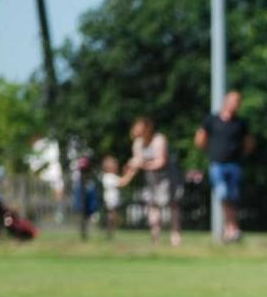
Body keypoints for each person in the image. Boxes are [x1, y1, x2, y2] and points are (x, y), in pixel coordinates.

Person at [195, 90, 254, 242]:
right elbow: (200, 139)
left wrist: (240, 155)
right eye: (233, 101)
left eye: (238, 102)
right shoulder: (212, 120)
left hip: (234, 164)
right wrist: (211, 152)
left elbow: (249, 143)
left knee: (232, 196)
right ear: (226, 102)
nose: (235, 104)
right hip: (217, 164)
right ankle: (232, 228)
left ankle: (230, 230)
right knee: (224, 194)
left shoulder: (241, 123)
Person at [121, 118, 182, 246]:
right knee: (153, 205)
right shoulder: (137, 143)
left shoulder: (159, 140)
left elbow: (161, 162)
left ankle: (175, 235)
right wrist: (126, 178)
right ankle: (156, 237)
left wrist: (141, 164)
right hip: (152, 178)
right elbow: (136, 163)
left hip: (167, 176)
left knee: (172, 205)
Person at [99, 155, 123, 238]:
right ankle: (109, 231)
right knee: (111, 215)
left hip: (114, 199)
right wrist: (131, 172)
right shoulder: (108, 176)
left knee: (113, 215)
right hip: (111, 199)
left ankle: (111, 231)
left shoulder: (113, 176)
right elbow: (122, 182)